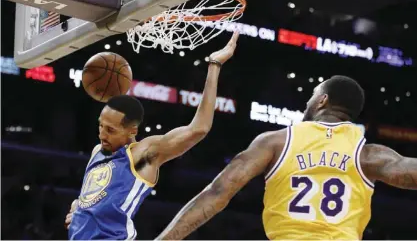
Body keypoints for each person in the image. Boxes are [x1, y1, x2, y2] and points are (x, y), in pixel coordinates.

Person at [156, 75, 417, 240]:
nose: (307, 101)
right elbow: (408, 173)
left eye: (312, 95)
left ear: (322, 100)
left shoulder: (275, 142)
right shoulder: (367, 153)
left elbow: (217, 193)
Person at [64, 32, 240, 240]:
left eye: (111, 130)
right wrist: (78, 207)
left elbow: (199, 128)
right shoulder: (97, 151)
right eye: (101, 126)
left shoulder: (144, 154)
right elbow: (93, 195)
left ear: (132, 132)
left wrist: (214, 65)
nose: (102, 134)